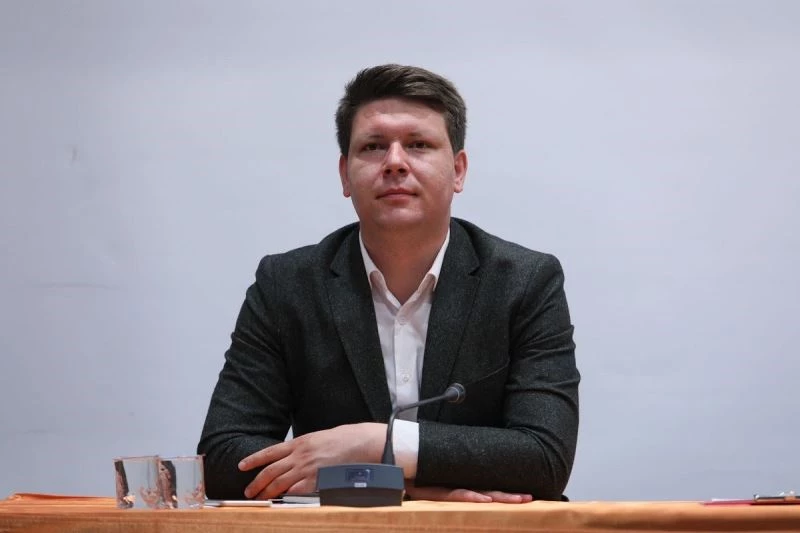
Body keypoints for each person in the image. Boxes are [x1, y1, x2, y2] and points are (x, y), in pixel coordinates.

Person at [198, 64, 580, 503]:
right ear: (345, 174)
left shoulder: (525, 281)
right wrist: (407, 486)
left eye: (418, 145)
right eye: (374, 146)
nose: (395, 162)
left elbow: (544, 458)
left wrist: (376, 442)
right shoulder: (286, 285)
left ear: (458, 170)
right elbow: (223, 461)